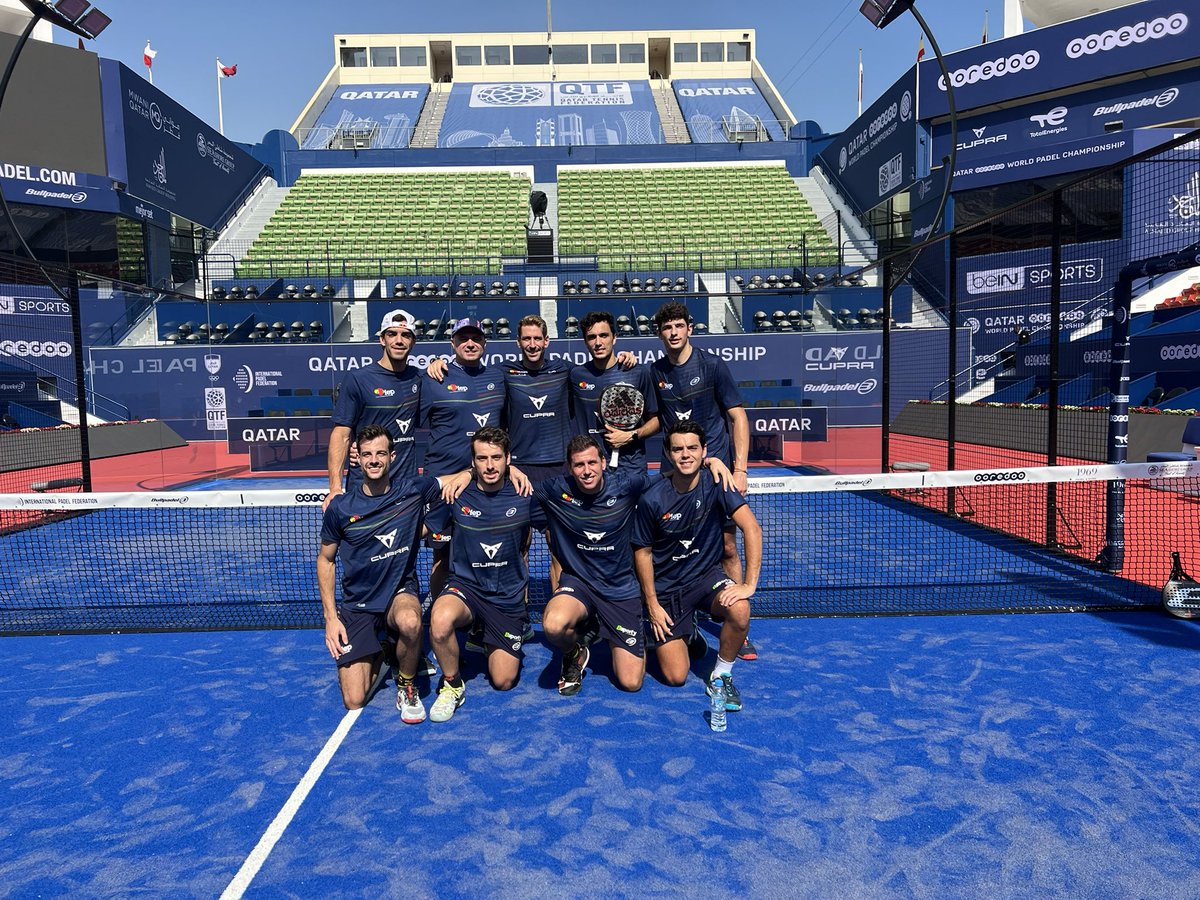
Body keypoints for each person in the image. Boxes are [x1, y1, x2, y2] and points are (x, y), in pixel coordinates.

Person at [536, 435, 732, 696]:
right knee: (554, 624)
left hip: (621, 588)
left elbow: (670, 477)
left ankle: (684, 632)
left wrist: (710, 461)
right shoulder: (555, 488)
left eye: (592, 462)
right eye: (579, 465)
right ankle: (575, 652)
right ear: (570, 468)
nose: (586, 471)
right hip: (579, 583)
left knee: (631, 682)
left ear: (603, 462)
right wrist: (469, 474)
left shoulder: (627, 484)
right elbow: (513, 488)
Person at [318, 425, 460, 723]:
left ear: (391, 457)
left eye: (380, 453)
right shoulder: (341, 508)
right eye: (367, 454)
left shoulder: (413, 490)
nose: (374, 460)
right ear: (357, 458)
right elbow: (326, 560)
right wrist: (331, 619)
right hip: (357, 604)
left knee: (410, 621)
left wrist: (488, 471)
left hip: (399, 593)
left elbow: (456, 479)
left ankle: (407, 684)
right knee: (354, 700)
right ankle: (383, 649)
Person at [650, 300, 759, 662]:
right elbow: (655, 419)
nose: (673, 333)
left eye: (679, 326)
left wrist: (739, 468)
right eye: (667, 328)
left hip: (718, 472)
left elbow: (738, 417)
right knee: (680, 543)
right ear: (660, 334)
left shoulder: (712, 365)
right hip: (679, 472)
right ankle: (686, 613)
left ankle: (737, 613)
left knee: (728, 547)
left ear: (689, 329)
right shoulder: (655, 372)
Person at [633, 422, 762, 711]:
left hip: (706, 579)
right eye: (678, 449)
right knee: (675, 676)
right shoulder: (652, 498)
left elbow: (752, 529)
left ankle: (721, 676)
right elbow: (642, 554)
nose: (685, 454)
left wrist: (748, 585)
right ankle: (688, 630)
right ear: (668, 454)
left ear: (704, 451)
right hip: (668, 590)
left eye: (692, 448)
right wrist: (652, 605)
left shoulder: (718, 482)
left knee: (740, 608)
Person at [427, 427, 533, 722]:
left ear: (508, 459)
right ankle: (451, 684)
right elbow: (423, 525)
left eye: (496, 458)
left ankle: (488, 636)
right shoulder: (456, 494)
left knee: (503, 681)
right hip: (467, 588)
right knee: (439, 619)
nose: (490, 465)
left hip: (507, 597)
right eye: (482, 458)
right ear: (472, 462)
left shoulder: (525, 493)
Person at [420, 317, 506, 604]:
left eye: (476, 339)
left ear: (485, 343)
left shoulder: (498, 377)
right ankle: (438, 614)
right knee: (441, 554)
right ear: (452, 343)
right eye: (463, 339)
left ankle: (486, 614)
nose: (470, 343)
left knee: (487, 551)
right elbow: (398, 422)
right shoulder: (432, 379)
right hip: (444, 484)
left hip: (484, 483)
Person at [324, 309, 422, 512]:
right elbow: (341, 434)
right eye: (392, 334)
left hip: (405, 488)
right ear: (382, 340)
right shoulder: (358, 379)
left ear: (413, 342)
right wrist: (335, 487)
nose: (398, 340)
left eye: (405, 335)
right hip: (364, 487)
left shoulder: (420, 378)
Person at [569, 310, 659, 474]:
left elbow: (655, 421)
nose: (598, 342)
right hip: (591, 469)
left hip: (631, 468)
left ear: (614, 337)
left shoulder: (637, 372)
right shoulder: (576, 375)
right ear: (585, 341)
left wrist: (631, 435)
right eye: (592, 337)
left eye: (604, 335)